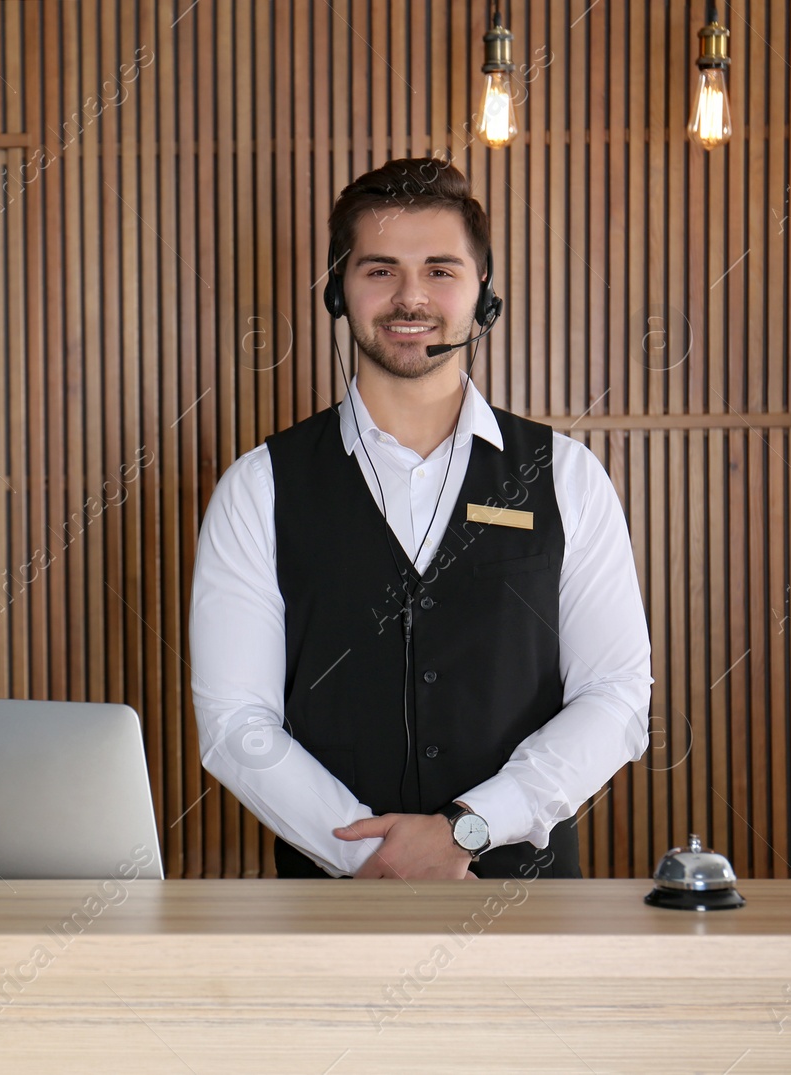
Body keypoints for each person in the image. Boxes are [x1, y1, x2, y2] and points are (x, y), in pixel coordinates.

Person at [189, 157, 653, 880]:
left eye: (441, 270)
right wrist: (372, 855)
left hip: (527, 912)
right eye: (379, 270)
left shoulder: (567, 477)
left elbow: (617, 695)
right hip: (332, 911)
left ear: (483, 297)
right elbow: (235, 724)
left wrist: (470, 828)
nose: (411, 297)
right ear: (338, 294)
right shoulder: (259, 488)